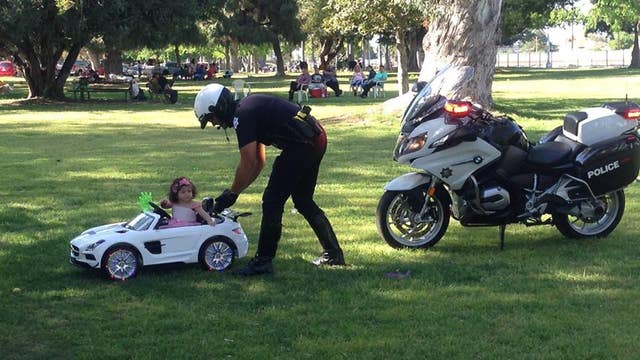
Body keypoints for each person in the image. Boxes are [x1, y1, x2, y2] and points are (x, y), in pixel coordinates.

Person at [194, 84, 346, 276]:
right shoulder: (246, 109)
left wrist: (231, 194)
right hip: (315, 138)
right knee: (303, 200)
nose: (216, 124)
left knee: (272, 201)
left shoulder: (242, 116)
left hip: (303, 144)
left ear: (218, 108)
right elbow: (258, 162)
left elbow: (248, 161)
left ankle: (263, 262)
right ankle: (333, 254)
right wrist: (234, 193)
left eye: (212, 118)